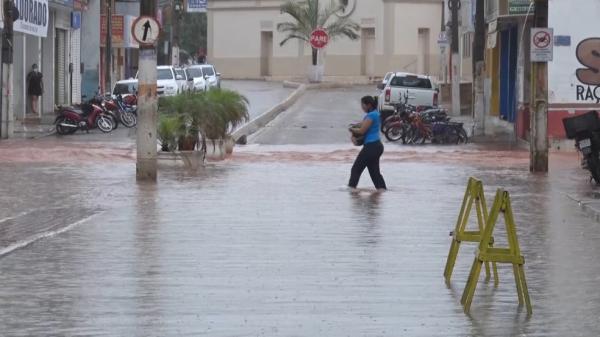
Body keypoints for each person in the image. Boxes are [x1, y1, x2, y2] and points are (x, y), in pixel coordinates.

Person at [348, 96, 387, 191]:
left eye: (363, 105)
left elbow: (362, 131)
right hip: (376, 146)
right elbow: (363, 128)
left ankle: (351, 191)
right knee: (375, 173)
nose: (362, 107)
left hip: (371, 147)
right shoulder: (376, 114)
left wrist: (351, 129)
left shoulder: (371, 115)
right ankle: (382, 192)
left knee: (356, 169)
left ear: (368, 105)